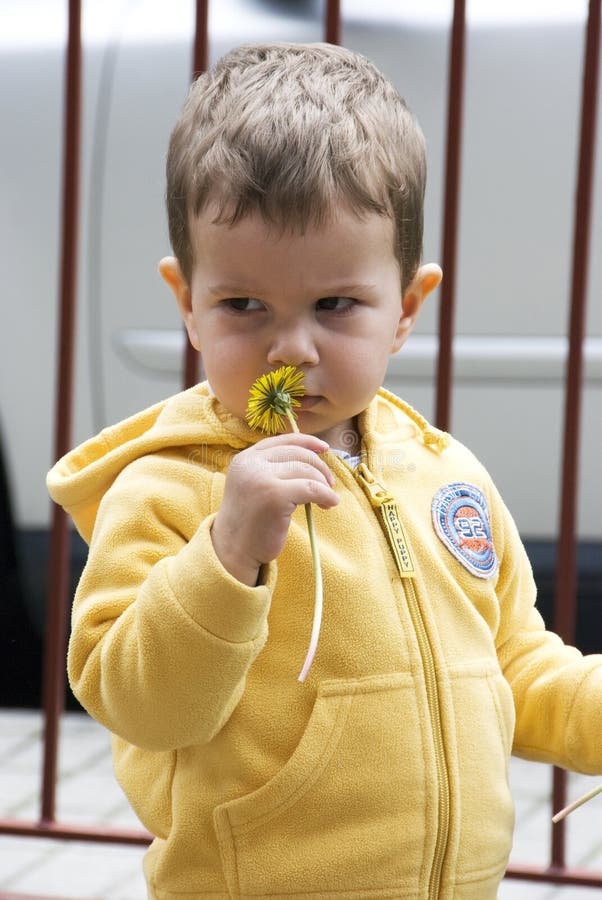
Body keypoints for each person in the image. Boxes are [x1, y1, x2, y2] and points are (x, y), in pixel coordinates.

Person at [47, 42, 602, 900]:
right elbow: (139, 704)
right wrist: (227, 555)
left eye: (334, 305)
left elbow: (516, 667)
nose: (291, 347)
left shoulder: (445, 475)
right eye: (243, 306)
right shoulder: (165, 491)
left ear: (407, 309)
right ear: (186, 304)